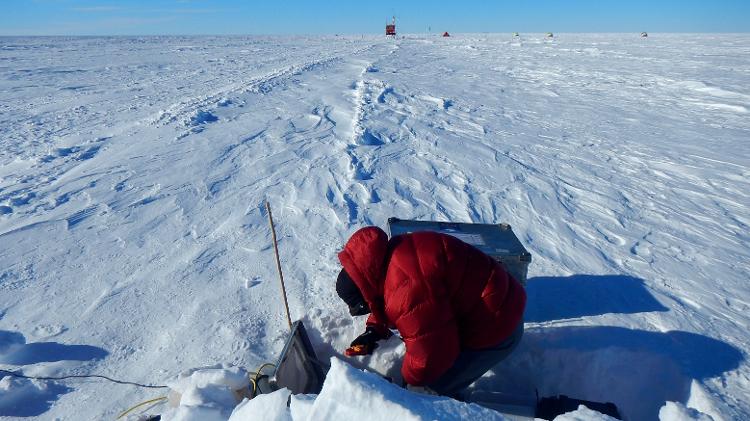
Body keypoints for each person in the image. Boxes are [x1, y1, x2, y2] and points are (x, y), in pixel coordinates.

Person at [336, 226, 526, 399]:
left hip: (498, 323)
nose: (368, 308)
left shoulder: (408, 289)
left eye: (365, 305)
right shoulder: (391, 255)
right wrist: (374, 329)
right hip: (498, 299)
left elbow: (431, 354)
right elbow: (386, 296)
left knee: (423, 394)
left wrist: (406, 385)